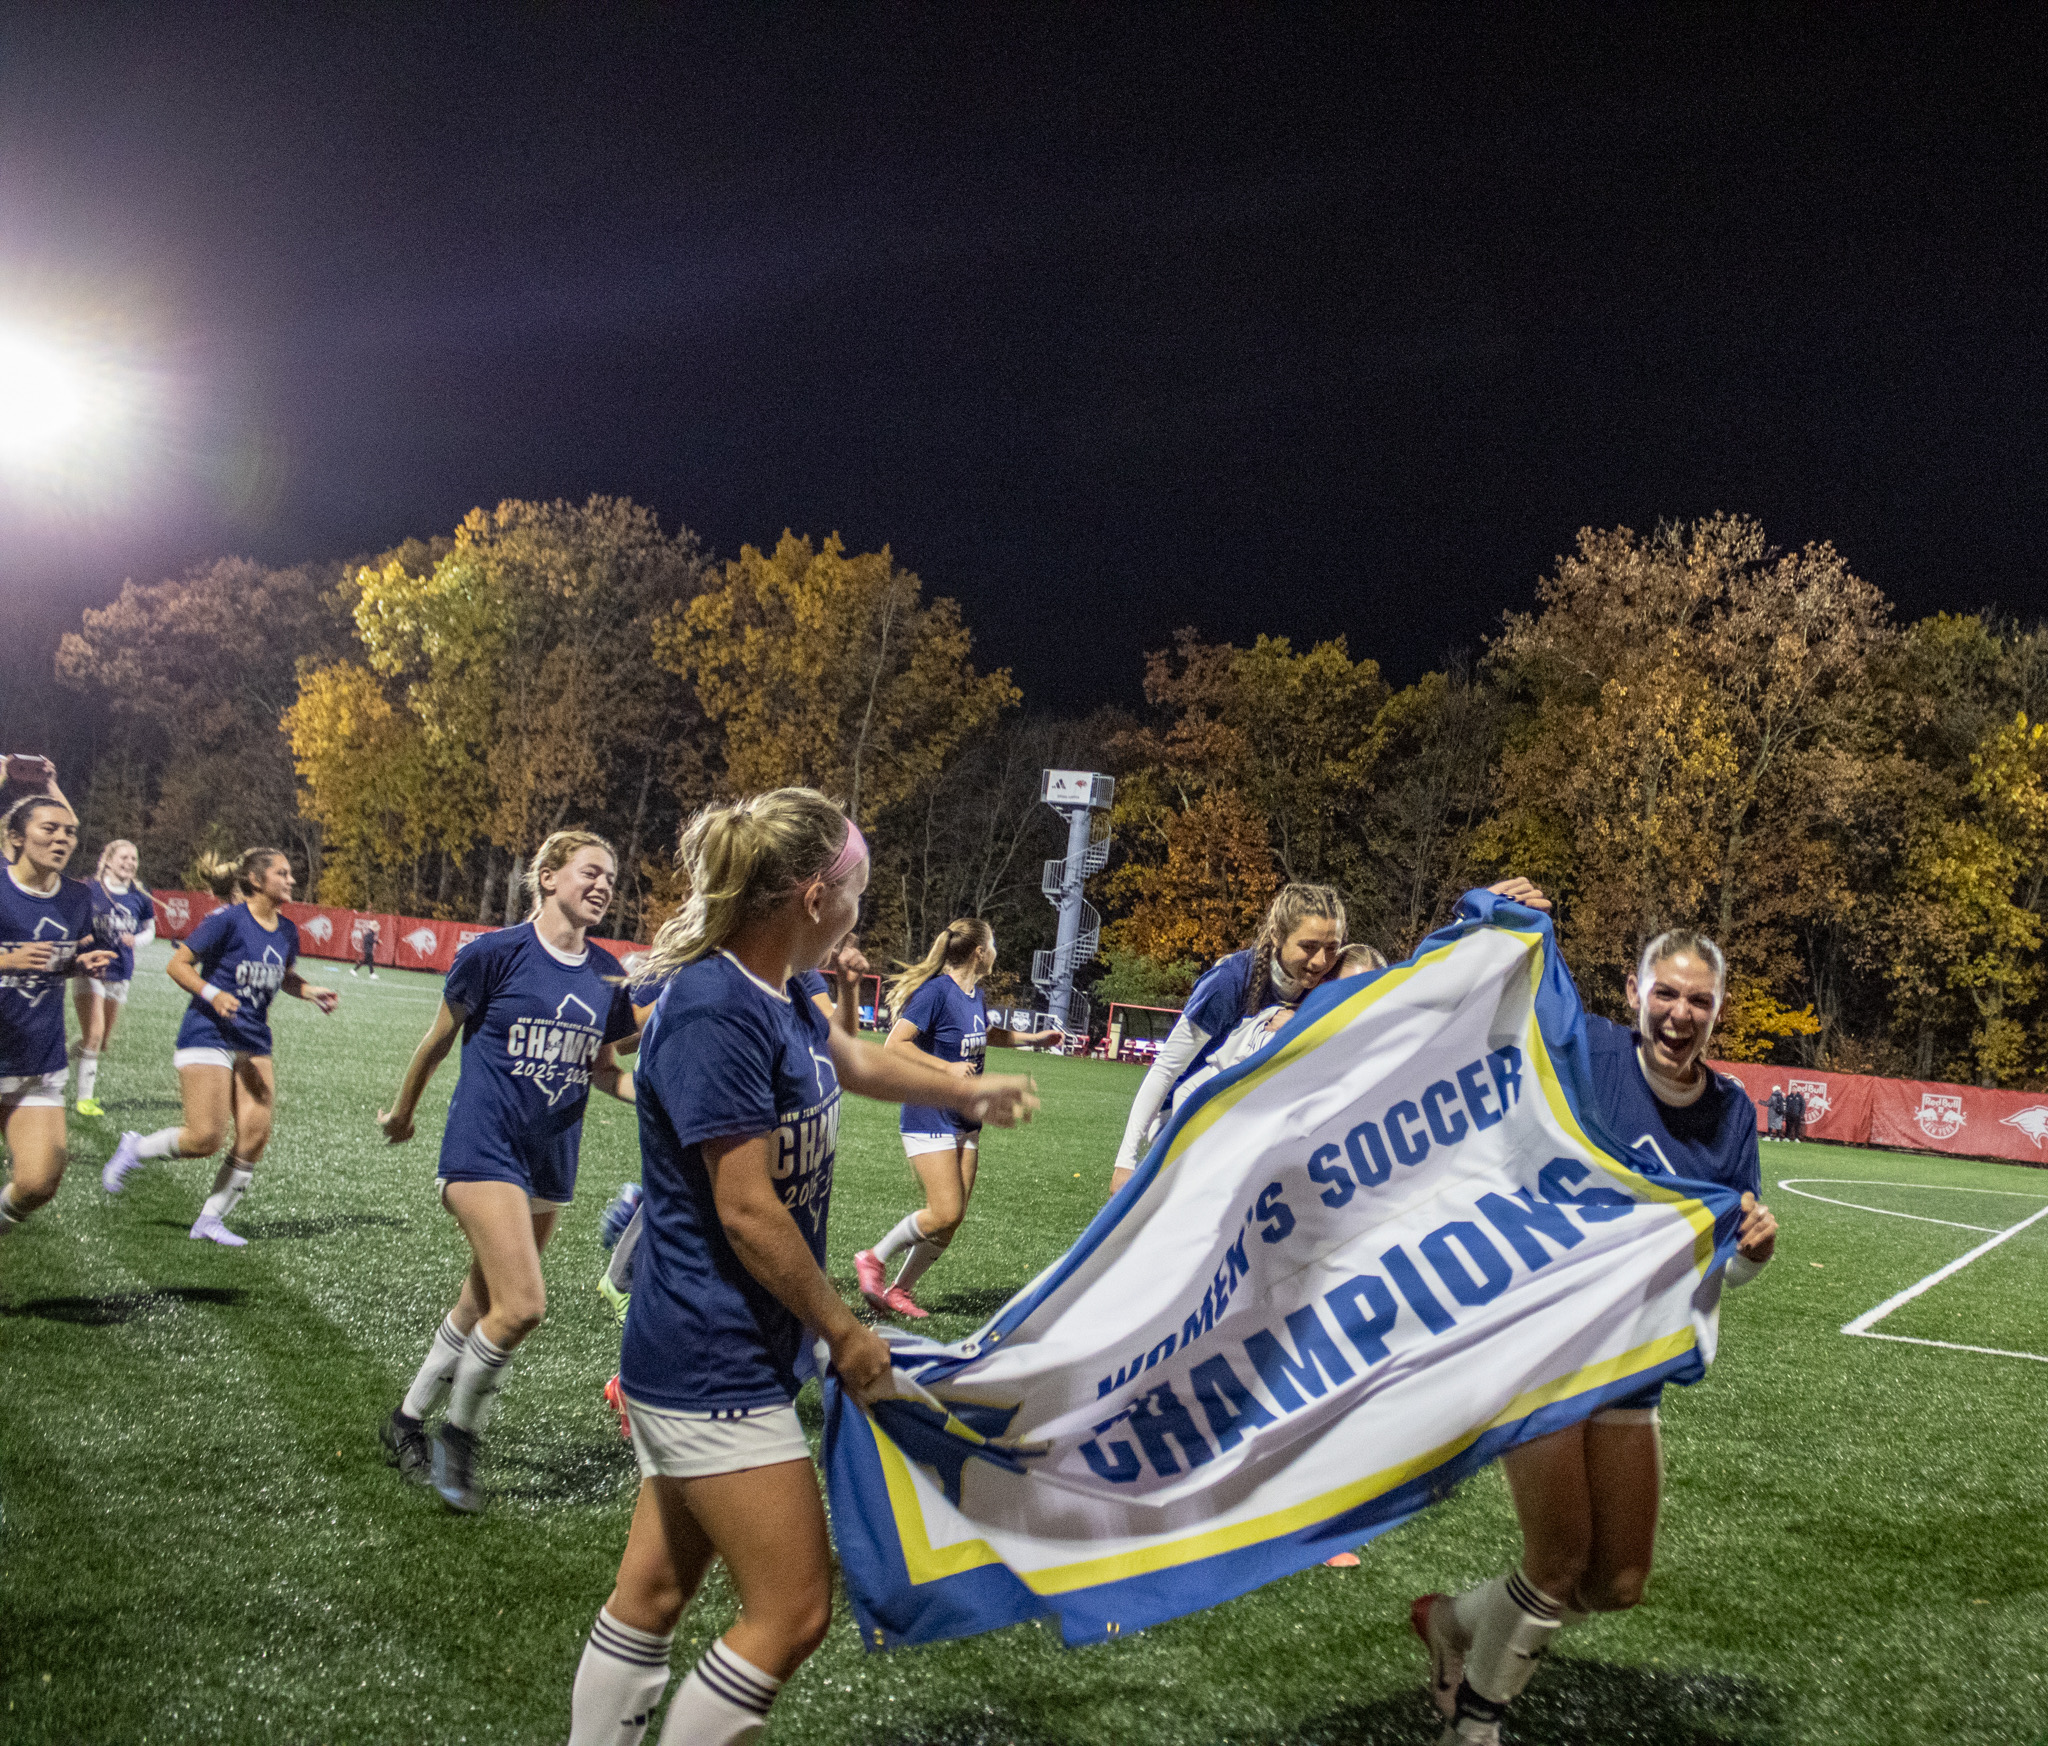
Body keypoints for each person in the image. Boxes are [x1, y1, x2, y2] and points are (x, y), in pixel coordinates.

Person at [563, 788, 1038, 1746]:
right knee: (793, 1611)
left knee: (653, 1592)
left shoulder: (776, 987)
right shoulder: (715, 1009)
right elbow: (746, 1209)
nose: (863, 910)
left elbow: (854, 1062)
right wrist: (845, 1331)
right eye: (858, 891)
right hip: (711, 1355)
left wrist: (969, 1091)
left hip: (716, 1350)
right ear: (816, 896)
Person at [1412, 905, 1779, 1746]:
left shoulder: (1730, 1113)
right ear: (1634, 992)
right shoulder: (1586, 1054)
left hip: (1630, 1362)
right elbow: (1469, 1012)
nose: (1680, 1014)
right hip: (1539, 1345)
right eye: (1666, 994)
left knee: (1615, 1584)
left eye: (1699, 1001)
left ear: (1718, 1011)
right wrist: (1482, 914)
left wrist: (1754, 1253)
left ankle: (1452, 1622)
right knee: (1558, 1561)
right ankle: (1477, 1722)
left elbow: (1722, 1259)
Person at [373, 831, 641, 1508]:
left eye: (610, 877)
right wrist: (403, 1113)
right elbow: (437, 1042)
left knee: (480, 1304)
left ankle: (405, 1420)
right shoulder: (495, 953)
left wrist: (658, 1095)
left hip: (550, 1160)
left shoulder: (607, 972)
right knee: (522, 1306)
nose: (603, 885)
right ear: (548, 877)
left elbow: (604, 1069)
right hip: (482, 1149)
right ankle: (459, 1441)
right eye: (590, 872)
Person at [102, 849, 339, 1244]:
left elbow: (283, 976)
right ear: (257, 880)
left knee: (255, 1136)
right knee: (205, 1138)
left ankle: (210, 1220)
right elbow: (177, 965)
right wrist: (212, 994)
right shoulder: (227, 920)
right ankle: (135, 1149)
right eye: (282, 873)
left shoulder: (287, 931)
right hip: (208, 1031)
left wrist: (310, 990)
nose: (292, 880)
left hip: (253, 1039)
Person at [854, 919, 1062, 1319]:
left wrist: (1035, 1040)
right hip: (928, 1110)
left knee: (953, 1218)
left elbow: (987, 1034)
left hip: (965, 1116)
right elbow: (896, 1043)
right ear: (979, 952)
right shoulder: (936, 992)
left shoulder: (974, 994)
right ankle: (874, 1258)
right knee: (944, 1211)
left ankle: (900, 1290)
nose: (996, 951)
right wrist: (946, 1068)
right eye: (993, 944)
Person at [1108, 884, 1348, 1194]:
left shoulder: (1325, 987)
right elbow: (1166, 1068)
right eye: (1308, 946)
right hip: (1186, 1119)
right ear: (1277, 935)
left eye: (1332, 948)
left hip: (1250, 1126)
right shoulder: (1229, 982)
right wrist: (1125, 1163)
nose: (1320, 961)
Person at [0, 796, 115, 1241]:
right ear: (16, 837)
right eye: (49, 829)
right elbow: (19, 960)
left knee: (40, 1181)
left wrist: (77, 965)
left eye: (69, 832)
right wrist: (7, 960)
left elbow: (55, 961)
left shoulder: (76, 897)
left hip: (37, 1058)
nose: (62, 838)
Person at [72, 837, 154, 1118]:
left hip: (121, 970)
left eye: (134, 858)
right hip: (91, 968)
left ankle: (61, 1057)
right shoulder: (89, 889)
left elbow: (150, 931)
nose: (130, 863)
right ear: (107, 860)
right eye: (124, 857)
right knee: (94, 1034)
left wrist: (136, 940)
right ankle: (84, 1100)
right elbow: (71, 919)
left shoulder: (140, 895)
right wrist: (79, 937)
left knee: (102, 1041)